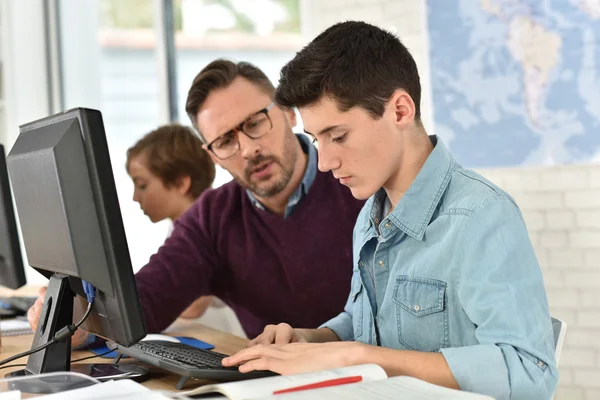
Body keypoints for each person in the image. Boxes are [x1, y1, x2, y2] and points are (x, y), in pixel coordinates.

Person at [221, 21, 558, 400]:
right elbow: (364, 321)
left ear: (399, 110)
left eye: (338, 136)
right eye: (317, 140)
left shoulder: (481, 216)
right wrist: (312, 339)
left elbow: (530, 373)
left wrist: (360, 357)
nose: (325, 162)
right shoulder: (370, 217)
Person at [27, 59, 365, 346]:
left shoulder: (357, 182)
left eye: (255, 123)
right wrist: (80, 321)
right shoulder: (212, 217)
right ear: (212, 155)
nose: (248, 149)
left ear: (290, 114)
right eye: (225, 140)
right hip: (274, 383)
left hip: (375, 375)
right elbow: (148, 300)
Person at [126, 124, 215, 320]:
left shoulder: (208, 227)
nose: (135, 197)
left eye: (142, 185)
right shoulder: (176, 229)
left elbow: (193, 307)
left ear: (181, 183)